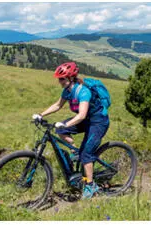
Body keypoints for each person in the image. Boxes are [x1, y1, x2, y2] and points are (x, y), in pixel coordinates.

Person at [32, 62, 110, 199]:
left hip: (98, 122)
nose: (59, 81)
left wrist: (65, 125)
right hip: (86, 121)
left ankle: (90, 186)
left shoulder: (83, 91)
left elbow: (81, 115)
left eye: (62, 79)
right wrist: (41, 114)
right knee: (60, 131)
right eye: (59, 79)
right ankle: (75, 152)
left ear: (70, 78)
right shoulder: (67, 91)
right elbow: (58, 105)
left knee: (86, 154)